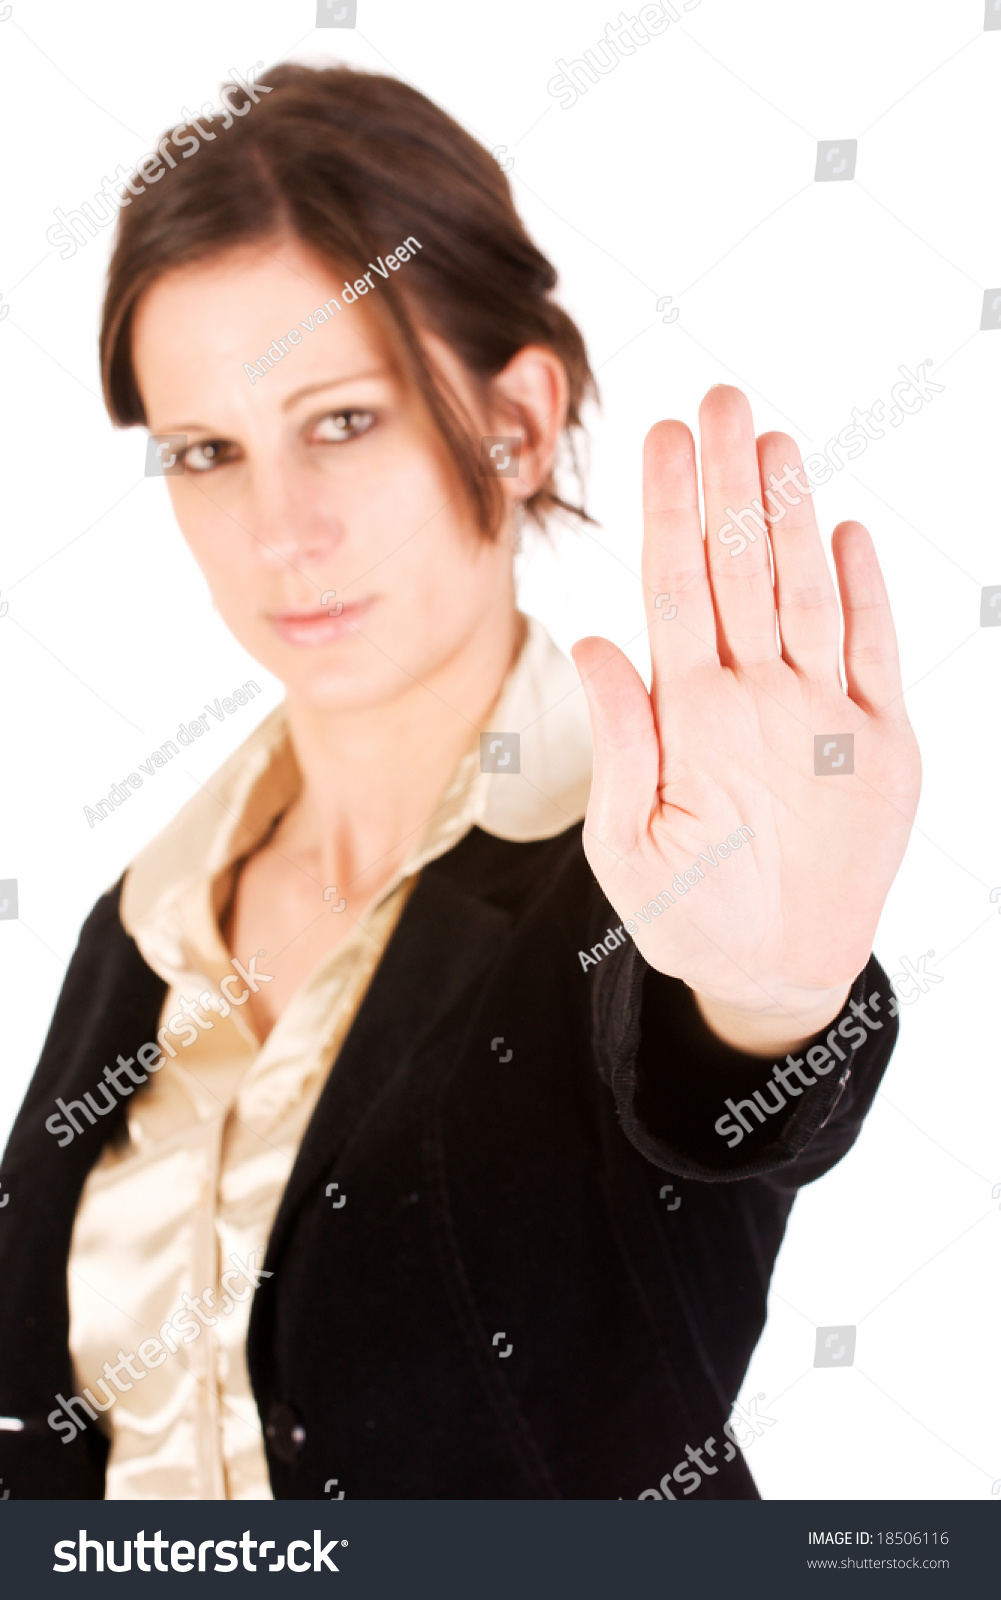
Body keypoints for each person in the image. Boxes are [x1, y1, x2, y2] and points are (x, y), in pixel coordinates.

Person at [0, 62, 920, 1501]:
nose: (277, 529)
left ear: (518, 417)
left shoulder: (650, 878)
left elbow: (715, 1074)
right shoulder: (142, 924)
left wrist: (776, 1004)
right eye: (206, 452)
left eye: (343, 421)